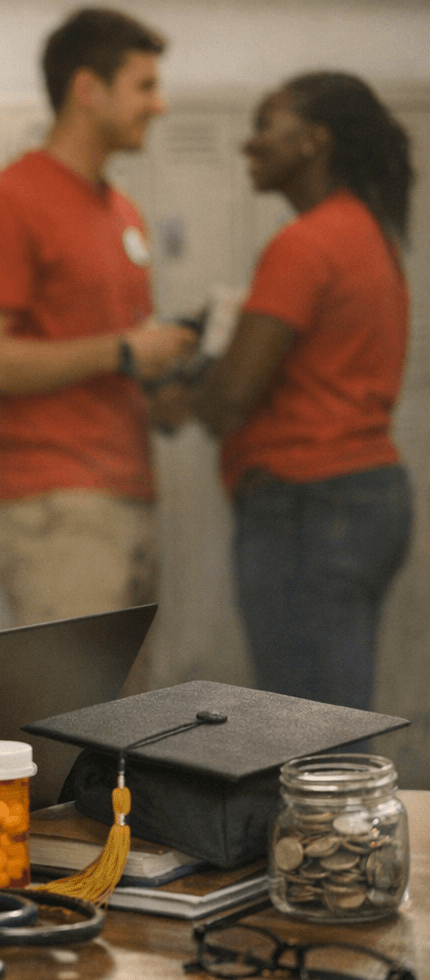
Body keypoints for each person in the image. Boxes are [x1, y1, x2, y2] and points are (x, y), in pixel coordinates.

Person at [157, 72, 414, 712]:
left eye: (265, 125)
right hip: (368, 491)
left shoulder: (303, 244)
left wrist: (187, 374)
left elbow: (228, 401)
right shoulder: (367, 232)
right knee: (335, 708)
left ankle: (334, 818)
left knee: (307, 724)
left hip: (305, 504)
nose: (249, 145)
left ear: (313, 141)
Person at [0, 8, 197, 654]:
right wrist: (121, 351)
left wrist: (167, 374)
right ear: (88, 89)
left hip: (124, 490)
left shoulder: (121, 209)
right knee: (79, 720)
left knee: (123, 721)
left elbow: (122, 360)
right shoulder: (10, 201)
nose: (160, 105)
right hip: (54, 498)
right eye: (145, 86)